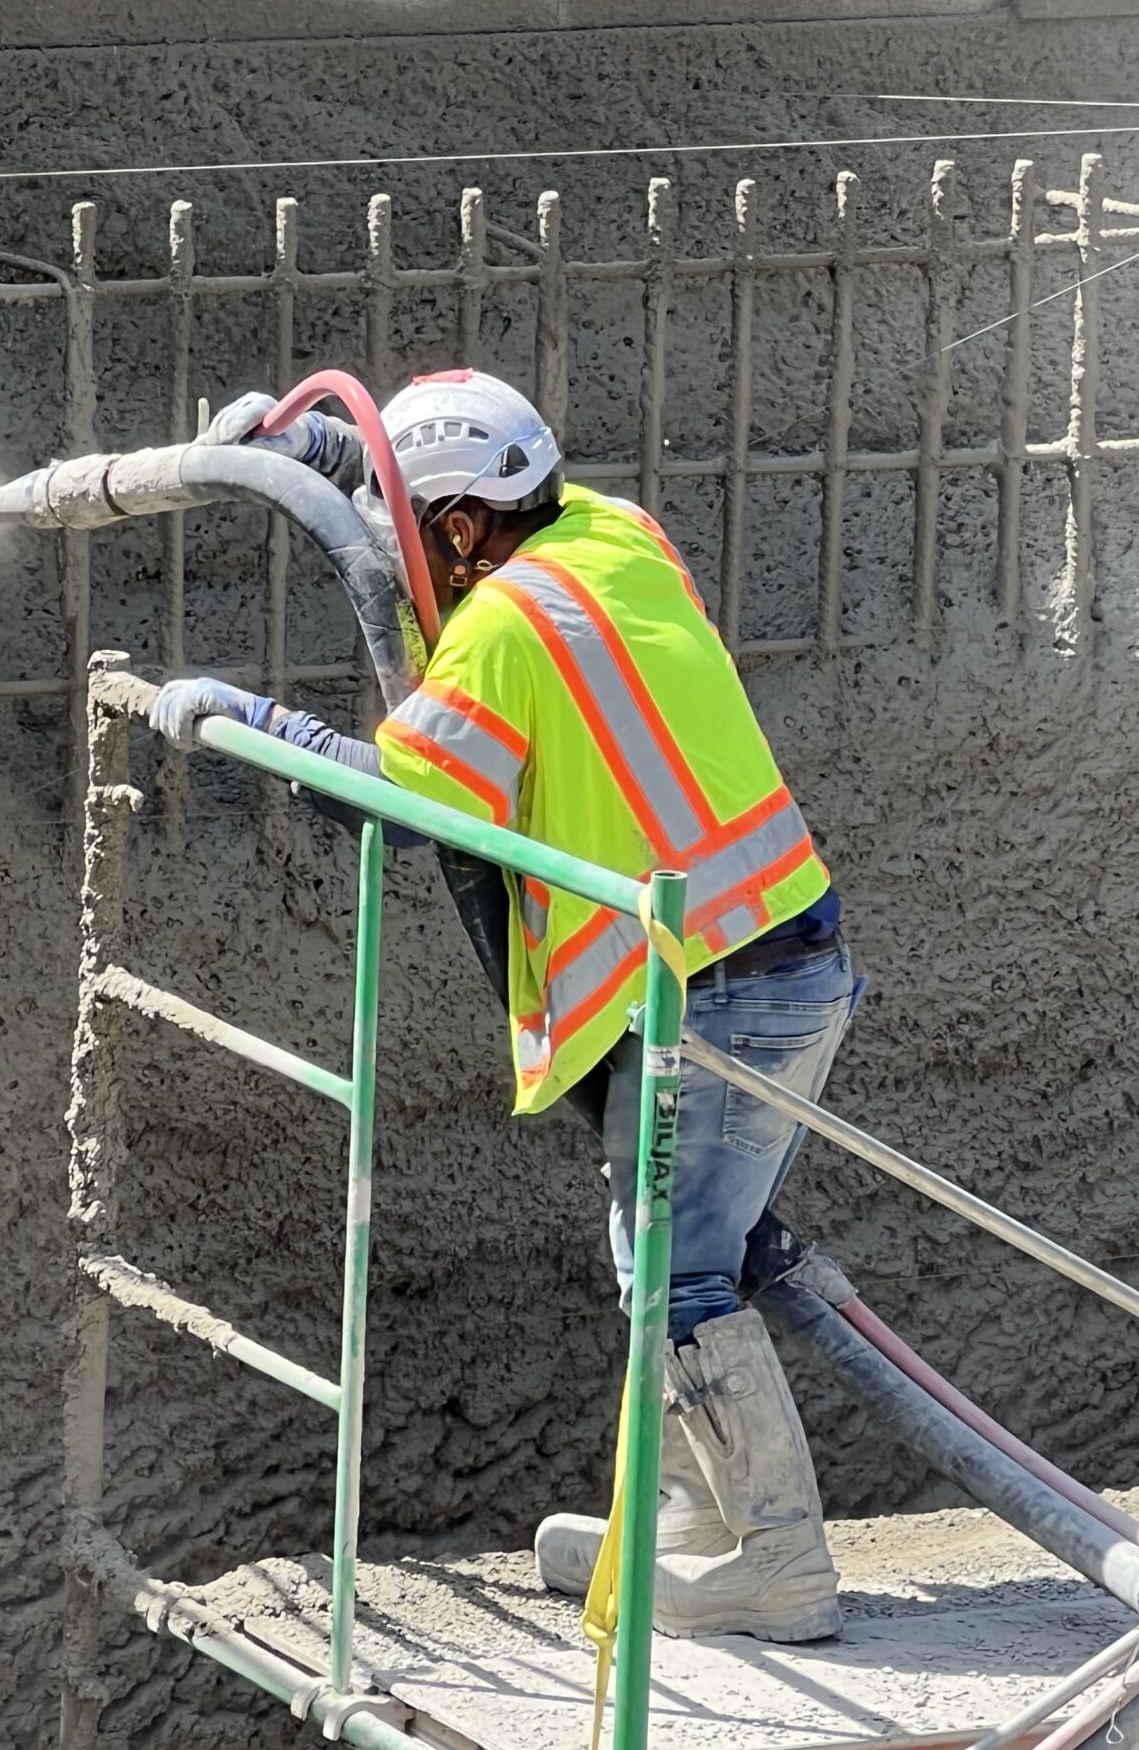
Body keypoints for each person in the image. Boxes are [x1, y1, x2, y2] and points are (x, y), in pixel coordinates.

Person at [146, 370, 863, 1644]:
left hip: (714, 991)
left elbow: (406, 797)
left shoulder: (500, 632)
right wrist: (323, 452)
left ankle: (777, 1563)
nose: (397, 551)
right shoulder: (612, 532)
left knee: (678, 1283)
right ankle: (694, 1535)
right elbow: (460, 521)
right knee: (663, 1260)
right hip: (771, 957)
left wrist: (249, 725)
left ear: (466, 528)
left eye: (411, 527)